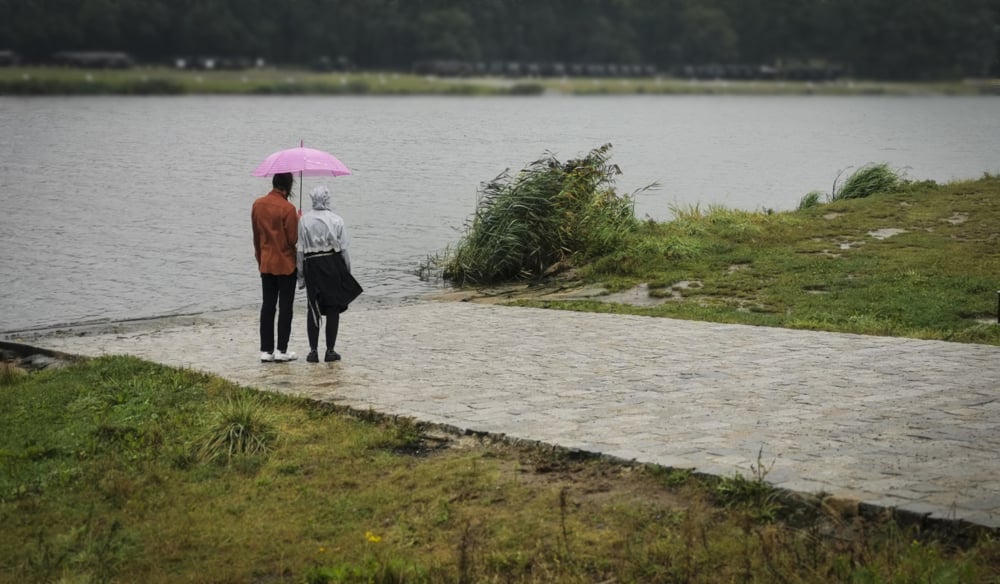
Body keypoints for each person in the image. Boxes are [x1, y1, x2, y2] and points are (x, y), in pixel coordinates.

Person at [297, 185, 362, 363]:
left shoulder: (303, 221)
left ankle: (313, 351)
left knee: (313, 307)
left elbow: (300, 251)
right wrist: (347, 272)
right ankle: (330, 350)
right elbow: (343, 251)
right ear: (327, 199)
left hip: (312, 265)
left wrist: (300, 277)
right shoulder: (337, 220)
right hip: (332, 263)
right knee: (333, 308)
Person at [251, 172, 299, 362]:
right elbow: (292, 239)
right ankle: (281, 350)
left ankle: (266, 350)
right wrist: (299, 220)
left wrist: (259, 257)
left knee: (268, 306)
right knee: (286, 307)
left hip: (266, 262)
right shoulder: (288, 209)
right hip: (286, 264)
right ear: (288, 186)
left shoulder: (257, 205)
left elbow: (256, 235)